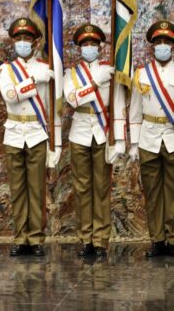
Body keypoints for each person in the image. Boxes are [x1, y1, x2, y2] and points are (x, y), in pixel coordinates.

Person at [0, 17, 61, 257]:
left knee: (36, 189)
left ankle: (36, 239)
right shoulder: (5, 70)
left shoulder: (46, 68)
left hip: (36, 133)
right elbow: (11, 96)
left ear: (35, 42)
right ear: (13, 41)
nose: (23, 42)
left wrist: (56, 143)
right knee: (17, 189)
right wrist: (33, 81)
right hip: (13, 134)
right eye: (19, 39)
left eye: (27, 39)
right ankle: (20, 237)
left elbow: (53, 107)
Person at [63, 23, 126, 258]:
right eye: (84, 44)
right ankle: (85, 239)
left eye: (92, 44)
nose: (89, 47)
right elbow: (72, 99)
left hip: (103, 132)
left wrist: (119, 139)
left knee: (101, 188)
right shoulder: (71, 74)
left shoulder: (109, 70)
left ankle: (101, 240)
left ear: (100, 46)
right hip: (79, 133)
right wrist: (95, 82)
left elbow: (118, 104)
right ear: (79, 47)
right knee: (81, 188)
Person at [129, 20, 174, 258]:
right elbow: (135, 110)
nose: (163, 46)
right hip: (148, 138)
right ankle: (157, 239)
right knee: (153, 191)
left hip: (172, 137)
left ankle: (172, 238)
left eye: (167, 42)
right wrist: (134, 143)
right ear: (151, 46)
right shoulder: (142, 74)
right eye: (159, 42)